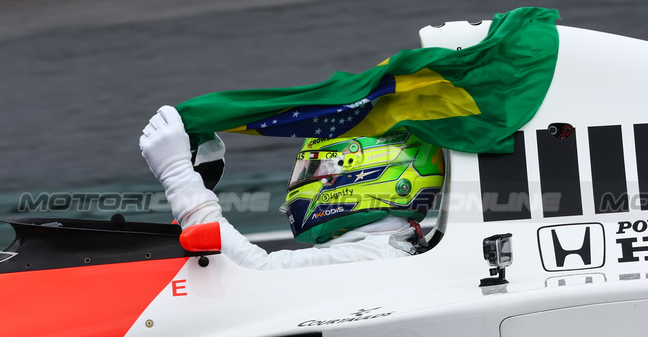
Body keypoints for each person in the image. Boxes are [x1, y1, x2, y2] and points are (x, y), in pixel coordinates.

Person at [139, 106, 444, 270]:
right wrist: (202, 182)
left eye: (315, 170)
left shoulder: (374, 259)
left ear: (369, 171)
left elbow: (252, 273)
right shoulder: (387, 250)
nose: (302, 184)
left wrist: (177, 176)